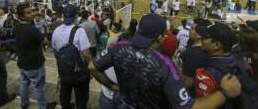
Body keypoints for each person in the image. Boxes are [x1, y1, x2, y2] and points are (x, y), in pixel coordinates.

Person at [89, 14, 242, 109]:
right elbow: (189, 107)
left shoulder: (118, 47)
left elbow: (92, 66)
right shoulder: (165, 65)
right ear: (161, 37)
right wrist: (224, 93)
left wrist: (111, 85)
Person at [194, 22, 258, 108]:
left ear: (217, 45)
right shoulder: (242, 62)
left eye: (205, 37)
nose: (200, 38)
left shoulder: (205, 71)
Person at [14, 3, 57, 109]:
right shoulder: (32, 29)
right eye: (28, 13)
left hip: (22, 62)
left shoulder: (17, 27)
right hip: (34, 64)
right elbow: (46, 42)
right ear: (22, 16)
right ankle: (43, 106)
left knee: (24, 83)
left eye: (32, 11)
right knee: (39, 87)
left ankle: (24, 103)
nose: (32, 14)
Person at [52, 4, 92, 109]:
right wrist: (90, 68)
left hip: (64, 71)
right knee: (81, 96)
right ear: (75, 17)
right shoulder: (79, 31)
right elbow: (86, 54)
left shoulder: (56, 30)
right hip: (79, 73)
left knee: (64, 93)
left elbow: (56, 52)